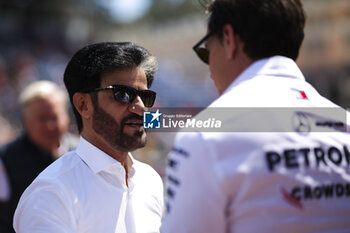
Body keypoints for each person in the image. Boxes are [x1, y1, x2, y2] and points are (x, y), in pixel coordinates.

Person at [161, 0, 350, 232]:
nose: (209, 70)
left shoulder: (207, 135)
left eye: (206, 52)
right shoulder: (345, 125)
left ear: (229, 39)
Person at [14, 42, 164, 233]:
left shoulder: (150, 180)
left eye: (145, 96)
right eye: (123, 94)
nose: (140, 107)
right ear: (83, 104)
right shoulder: (51, 195)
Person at [0, 80, 77, 233]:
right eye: (41, 119)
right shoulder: (6, 160)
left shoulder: (81, 152)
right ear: (26, 121)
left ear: (66, 117)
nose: (49, 126)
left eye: (54, 117)